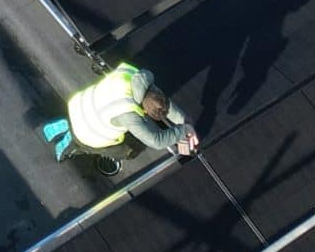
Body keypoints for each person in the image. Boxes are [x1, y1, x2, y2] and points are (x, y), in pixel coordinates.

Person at [42, 62, 199, 174]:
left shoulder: (137, 76)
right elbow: (156, 141)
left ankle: (66, 124)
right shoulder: (128, 114)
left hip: (79, 107)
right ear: (144, 109)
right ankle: (72, 144)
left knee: (94, 118)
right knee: (131, 150)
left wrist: (184, 122)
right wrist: (184, 131)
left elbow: (161, 102)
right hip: (87, 131)